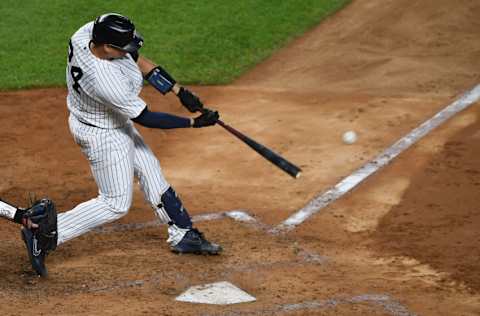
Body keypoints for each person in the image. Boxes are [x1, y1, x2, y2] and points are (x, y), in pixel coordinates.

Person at [21, 13, 223, 277]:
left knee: (151, 170)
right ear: (107, 47)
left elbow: (137, 58)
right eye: (122, 48)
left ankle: (182, 234)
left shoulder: (87, 34)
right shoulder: (104, 80)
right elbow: (147, 118)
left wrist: (179, 91)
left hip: (110, 120)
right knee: (115, 203)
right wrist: (195, 123)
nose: (129, 52)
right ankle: (42, 232)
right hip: (104, 135)